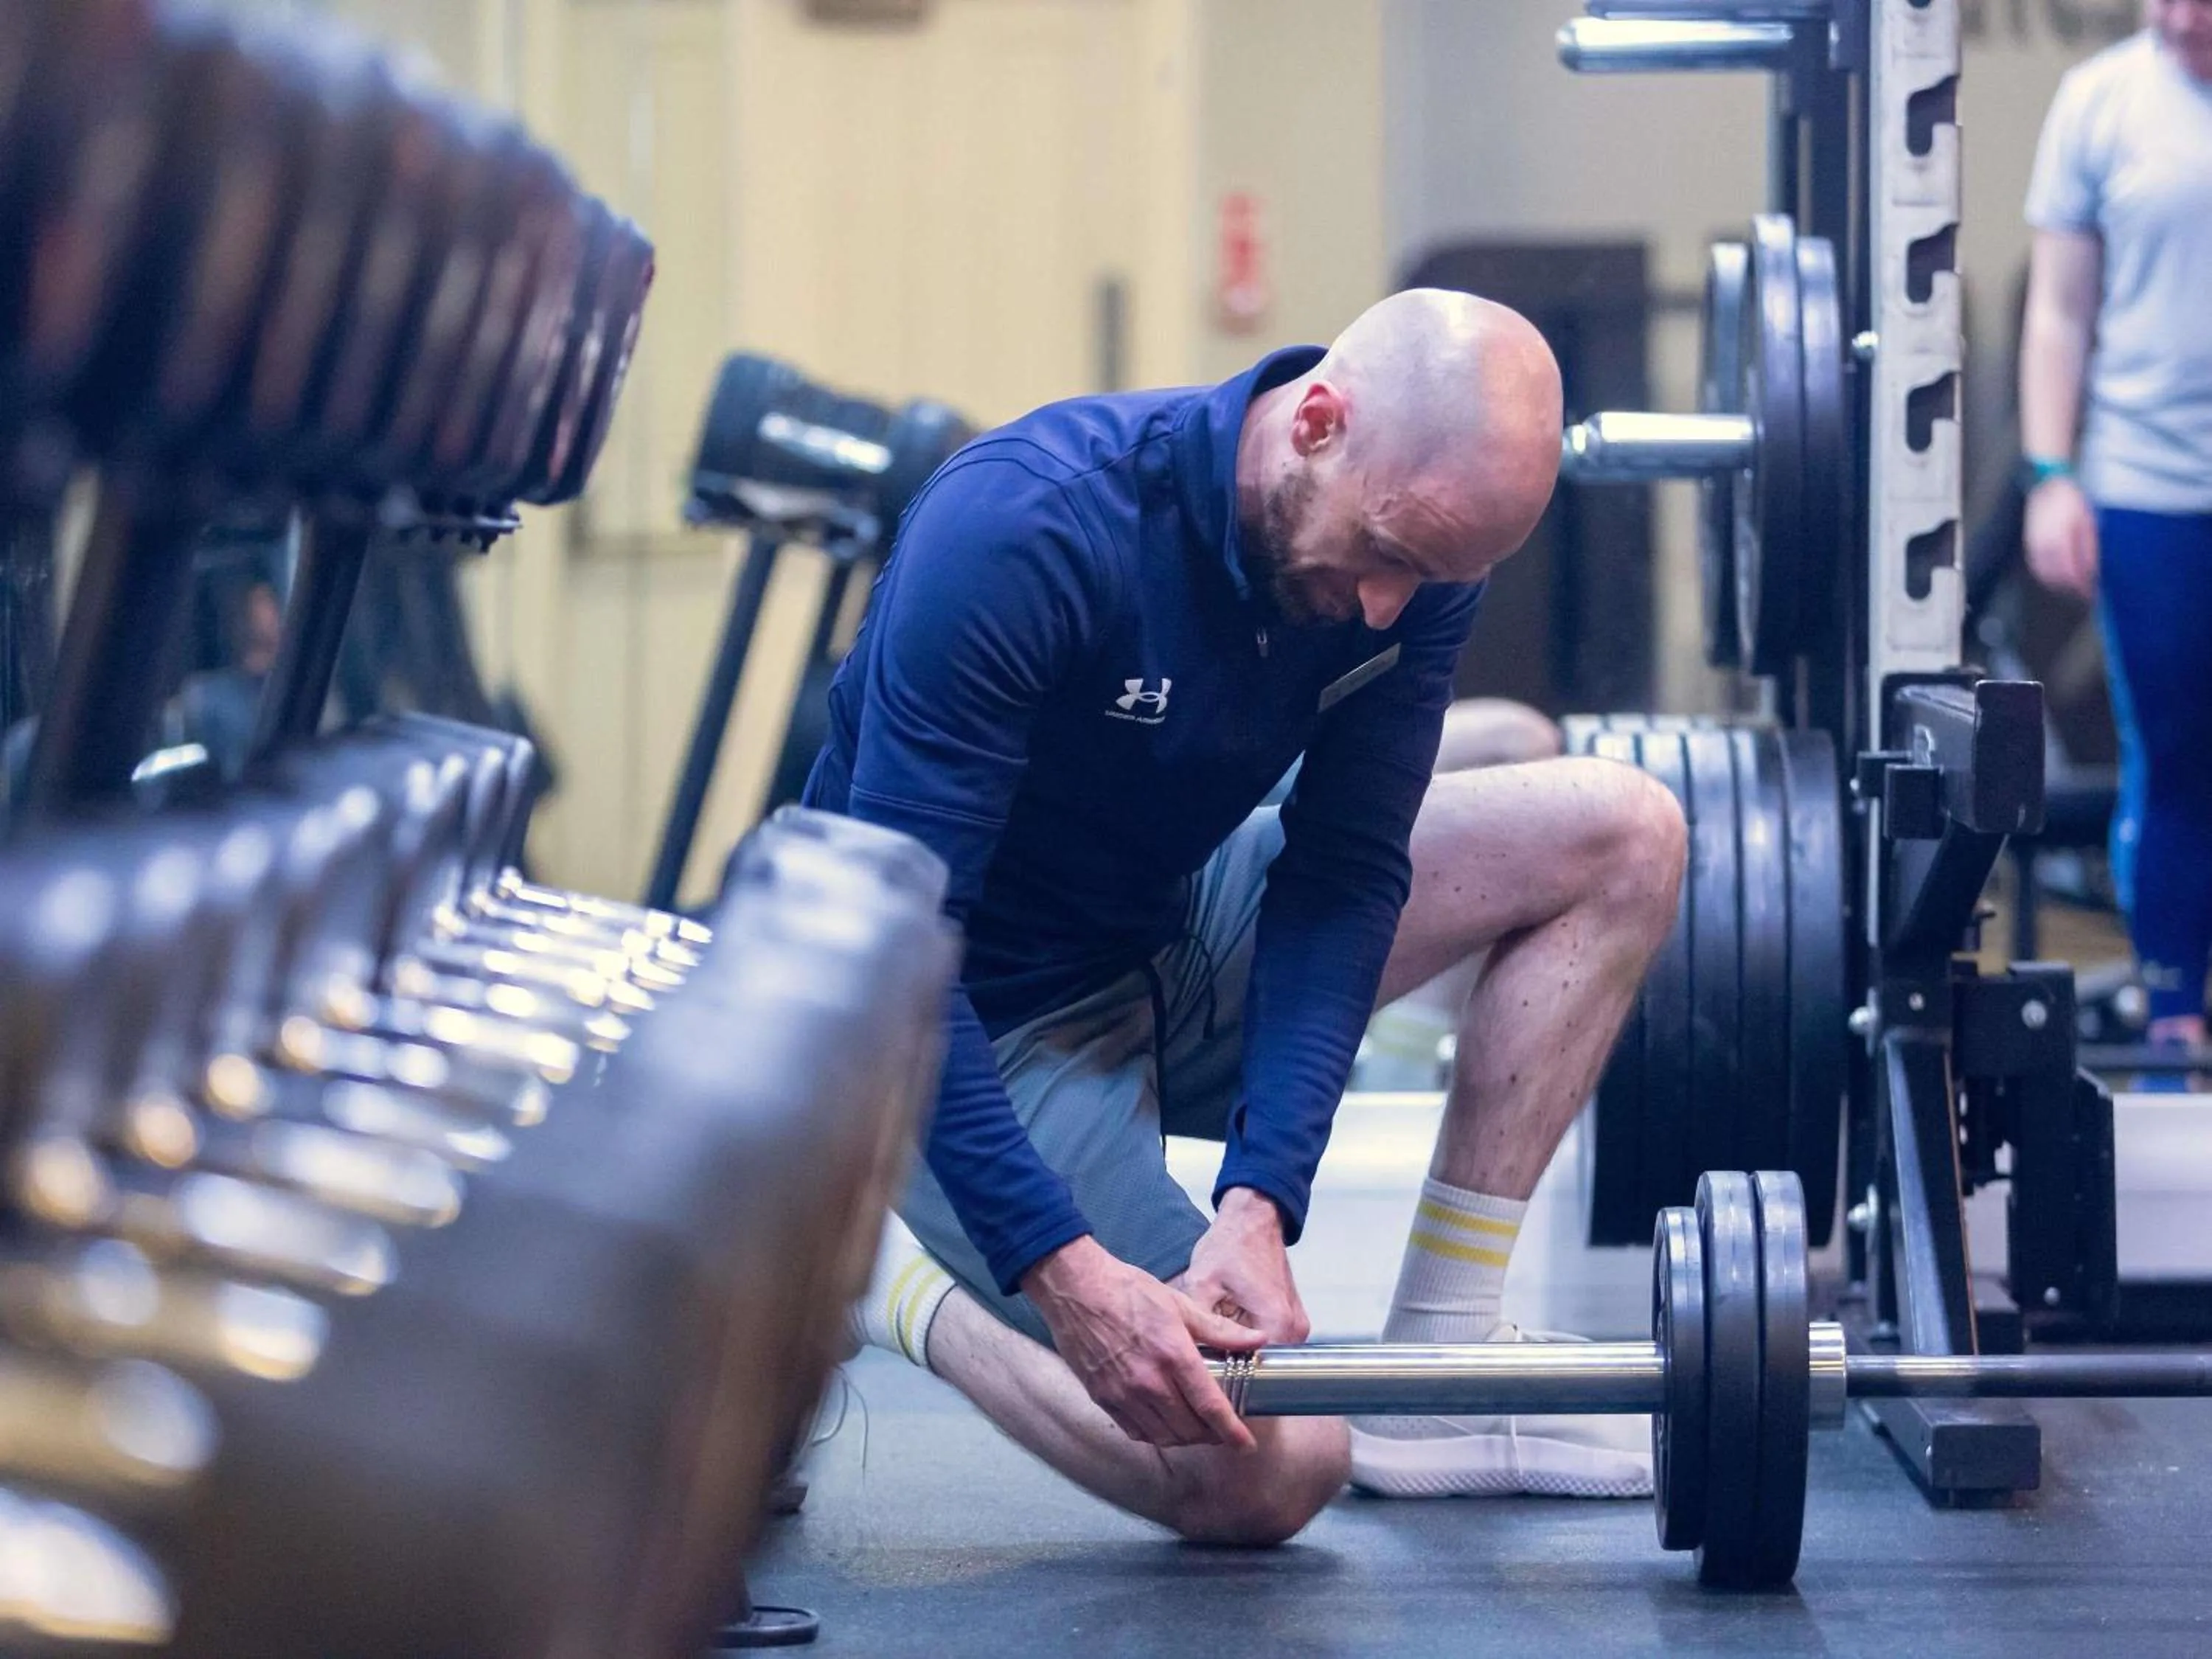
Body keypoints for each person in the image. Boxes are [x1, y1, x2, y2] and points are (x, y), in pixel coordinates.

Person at [811, 289, 1686, 1545]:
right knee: (1268, 1474)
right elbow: (900, 956)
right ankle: (893, 1280)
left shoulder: (1416, 559)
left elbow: (1341, 877)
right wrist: (1061, 1268)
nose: (1396, 606)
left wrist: (1259, 1198)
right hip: (960, 1017)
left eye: (1436, 576)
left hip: (1168, 929)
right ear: (1316, 422)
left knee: (1625, 829)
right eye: (1388, 556)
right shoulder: (1027, 527)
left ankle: (1445, 1359)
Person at [2020, 0, 2212, 1057]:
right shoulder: (2100, 102)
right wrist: (2054, 473)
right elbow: (2059, 309)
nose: (2183, 16)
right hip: (2148, 487)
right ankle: (2176, 1028)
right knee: (2175, 758)